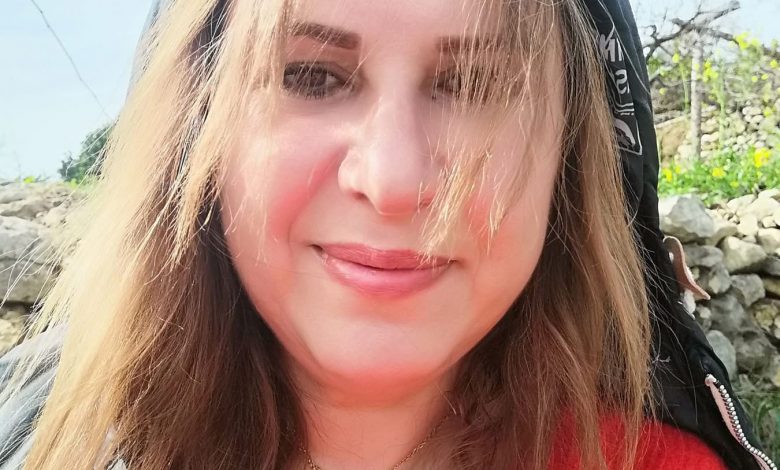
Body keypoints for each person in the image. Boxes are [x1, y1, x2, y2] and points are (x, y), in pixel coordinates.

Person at [0, 0, 773, 469]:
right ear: (198, 128)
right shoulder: (46, 442)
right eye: (311, 75)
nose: (393, 179)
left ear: (568, 157)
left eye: (472, 83)